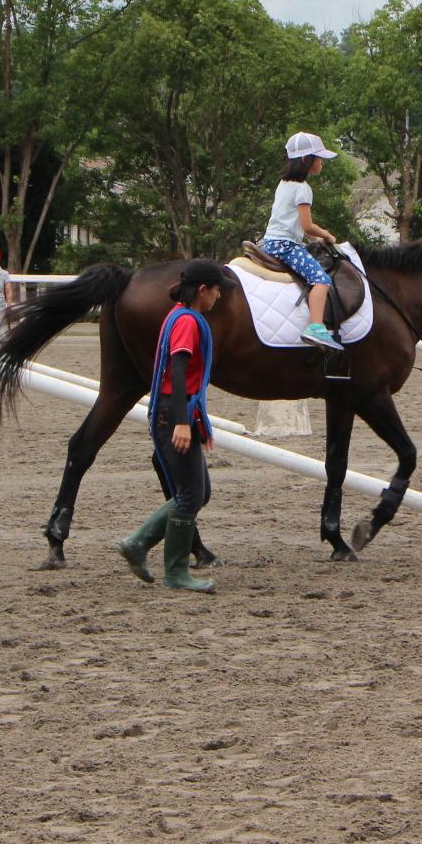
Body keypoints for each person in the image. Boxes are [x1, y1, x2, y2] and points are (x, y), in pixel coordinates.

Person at [115, 259, 238, 593]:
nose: (219, 298)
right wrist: (184, 421)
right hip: (175, 411)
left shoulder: (181, 316)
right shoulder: (187, 321)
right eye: (216, 291)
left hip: (177, 410)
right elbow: (178, 370)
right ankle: (175, 571)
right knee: (190, 495)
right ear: (203, 290)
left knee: (199, 492)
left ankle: (139, 543)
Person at [261, 131, 345, 351]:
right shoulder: (303, 189)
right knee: (321, 279)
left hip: (271, 241)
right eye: (319, 159)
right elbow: (307, 226)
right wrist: (326, 234)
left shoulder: (283, 183)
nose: (321, 163)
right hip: (286, 246)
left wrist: (316, 238)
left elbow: (297, 226)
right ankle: (315, 328)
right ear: (306, 160)